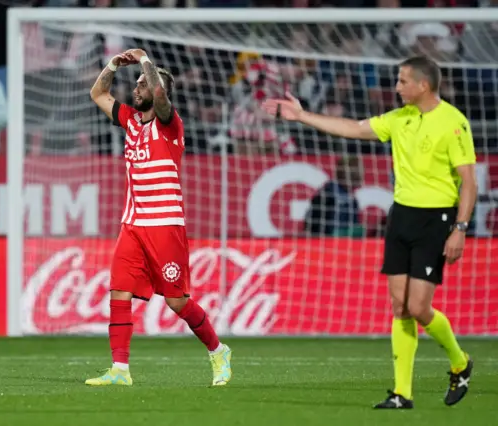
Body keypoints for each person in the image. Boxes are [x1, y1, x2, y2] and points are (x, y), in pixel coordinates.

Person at [262, 55, 476, 409]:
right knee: (399, 306)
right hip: (401, 216)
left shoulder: (453, 123)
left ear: (423, 85)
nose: (396, 87)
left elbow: (468, 181)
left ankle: (459, 361)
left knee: (420, 307)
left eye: (403, 81)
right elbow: (353, 128)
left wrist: (460, 229)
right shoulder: (399, 118)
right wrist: (302, 116)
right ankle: (402, 394)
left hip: (436, 219)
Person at [85, 48, 232, 387]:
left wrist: (145, 61)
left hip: (166, 226)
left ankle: (218, 350)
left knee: (177, 301)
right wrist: (113, 65)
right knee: (119, 292)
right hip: (133, 225)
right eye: (135, 84)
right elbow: (98, 93)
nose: (136, 88)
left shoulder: (169, 124)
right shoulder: (129, 122)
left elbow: (161, 95)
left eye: (142, 84)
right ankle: (120, 370)